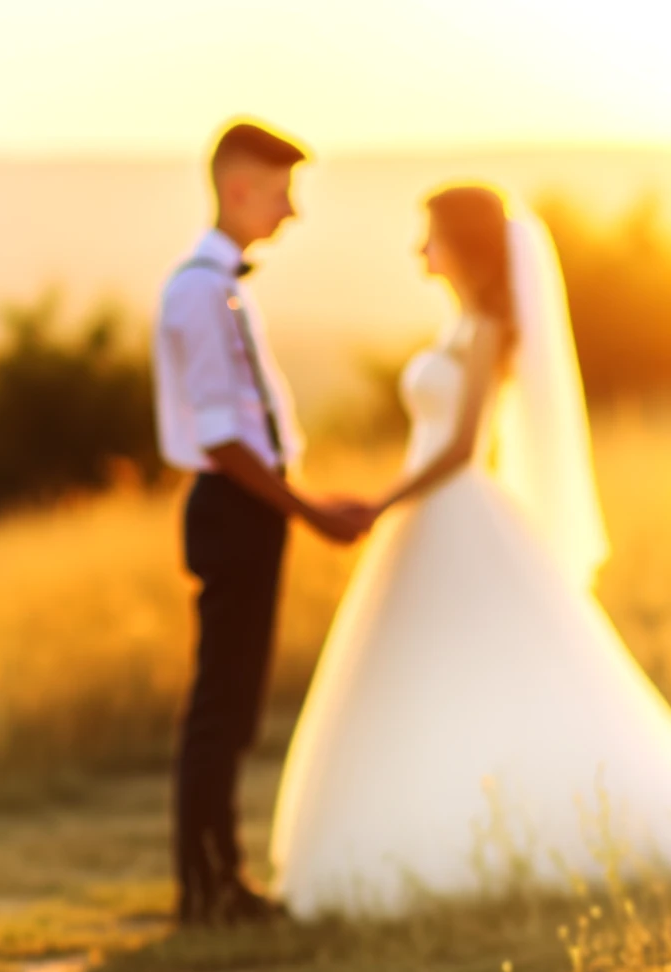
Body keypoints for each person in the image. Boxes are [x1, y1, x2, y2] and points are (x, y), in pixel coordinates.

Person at [270, 184, 671, 919]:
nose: (419, 248)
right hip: (425, 516)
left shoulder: (489, 328)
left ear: (462, 243)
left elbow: (461, 447)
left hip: (455, 510)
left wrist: (383, 502)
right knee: (418, 674)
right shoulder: (461, 324)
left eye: (429, 234)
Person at [152, 120, 367, 927]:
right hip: (231, 510)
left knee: (237, 703)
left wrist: (301, 498)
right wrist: (308, 511)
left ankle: (220, 880)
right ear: (239, 188)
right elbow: (223, 438)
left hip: (252, 508)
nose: (293, 212)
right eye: (282, 192)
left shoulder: (227, 288)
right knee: (221, 704)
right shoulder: (200, 291)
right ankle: (207, 889)